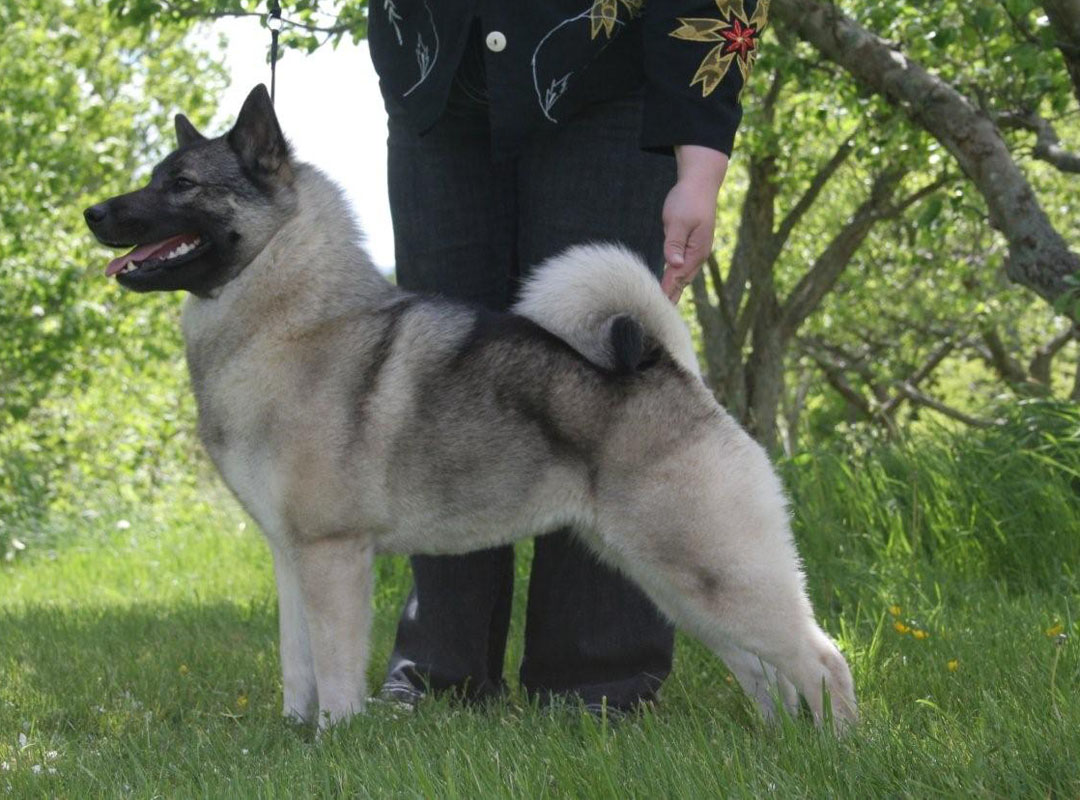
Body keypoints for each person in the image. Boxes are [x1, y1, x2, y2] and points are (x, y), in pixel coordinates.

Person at [366, 0, 767, 712]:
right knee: (441, 395)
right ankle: (440, 675)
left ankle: (598, 683)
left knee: (604, 389)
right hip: (434, 85)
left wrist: (700, 161)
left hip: (609, 85)